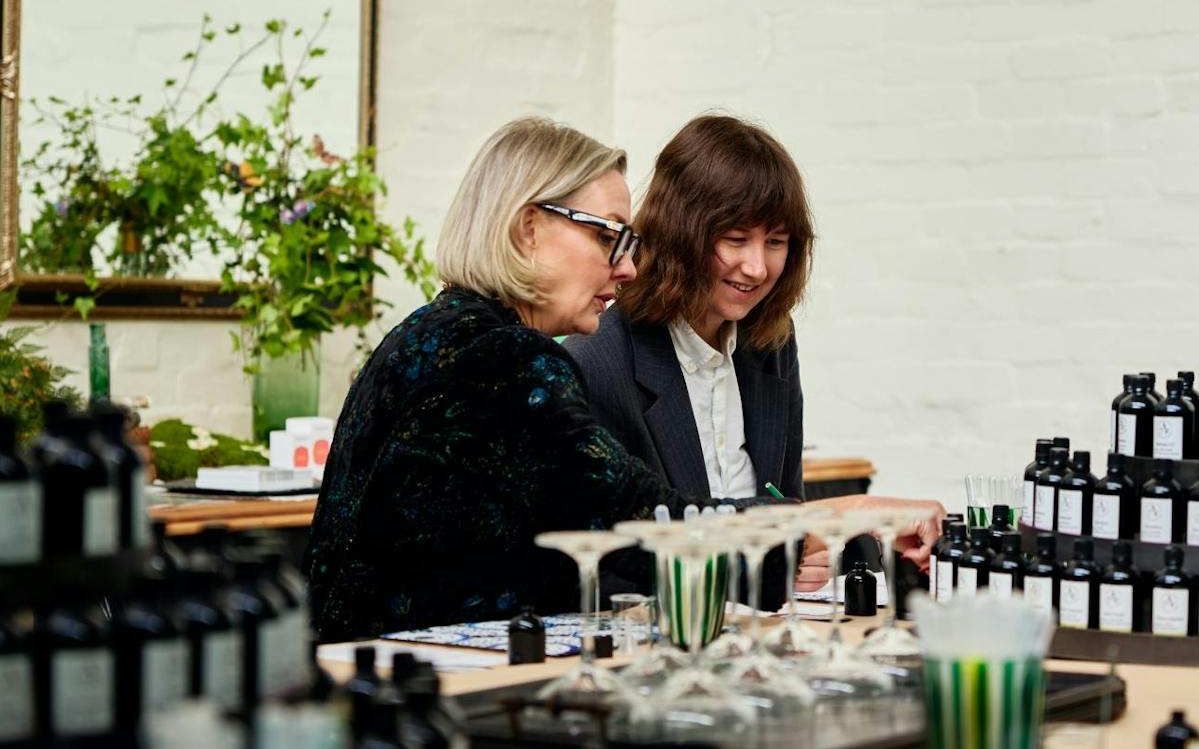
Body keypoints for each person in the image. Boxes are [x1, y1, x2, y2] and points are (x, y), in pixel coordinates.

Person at [304, 116, 933, 642]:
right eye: (610, 236)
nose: (629, 266)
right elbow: (640, 527)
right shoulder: (502, 360)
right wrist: (833, 517)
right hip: (428, 692)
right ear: (530, 229)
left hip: (378, 678)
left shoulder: (433, 334)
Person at [565, 114, 931, 596]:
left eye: (776, 242)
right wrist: (784, 549)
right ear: (681, 233)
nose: (757, 267)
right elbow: (618, 563)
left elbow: (787, 507)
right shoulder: (599, 358)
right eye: (735, 239)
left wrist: (811, 553)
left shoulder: (771, 343)